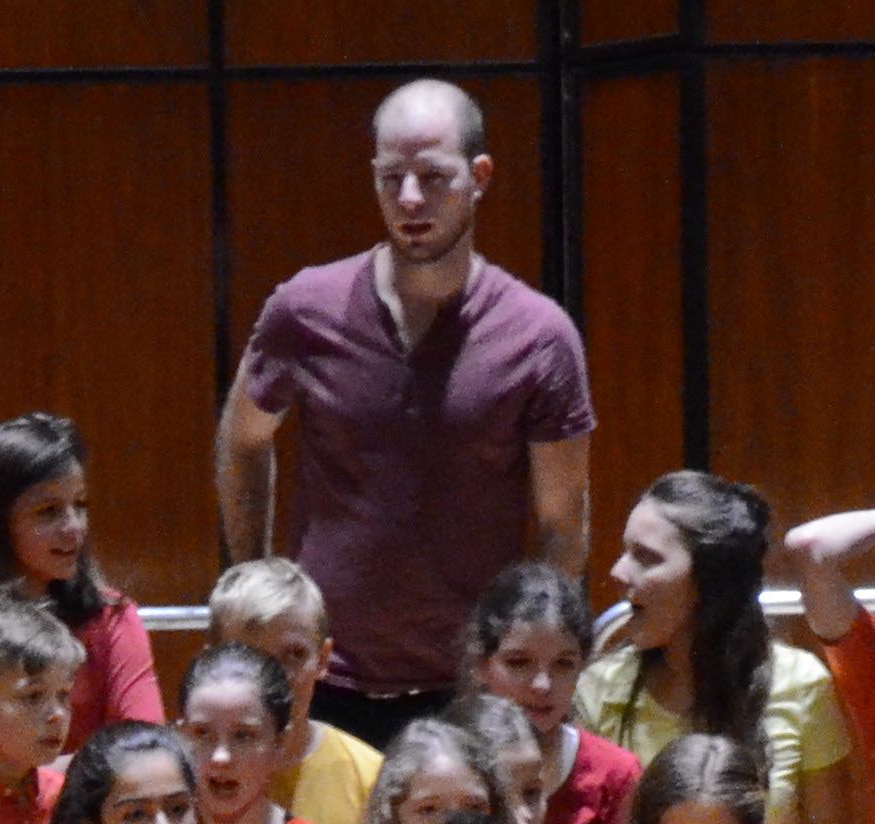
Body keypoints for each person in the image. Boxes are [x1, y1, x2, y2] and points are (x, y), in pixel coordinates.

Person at [219, 86, 597, 745]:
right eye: (392, 178)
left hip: (469, 694)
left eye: (433, 177)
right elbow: (243, 440)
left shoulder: (539, 335)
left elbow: (563, 527)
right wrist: (254, 591)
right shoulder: (305, 308)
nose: (411, 199)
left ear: (480, 177)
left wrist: (525, 674)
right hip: (322, 681)